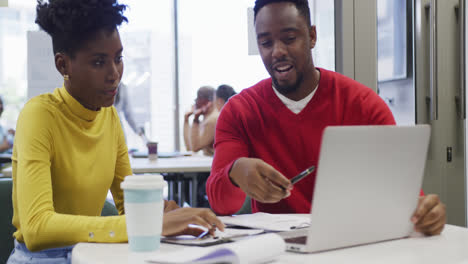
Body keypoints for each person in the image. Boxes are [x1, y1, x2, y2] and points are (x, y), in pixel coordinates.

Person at [8, 1, 223, 263]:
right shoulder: (39, 115)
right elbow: (36, 228)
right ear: (63, 66)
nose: (114, 74)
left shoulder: (107, 115)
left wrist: (166, 214)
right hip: (42, 258)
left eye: (118, 58)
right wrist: (149, 225)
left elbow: (127, 204)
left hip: (94, 252)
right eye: (99, 62)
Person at [206, 0, 446, 236]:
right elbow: (221, 205)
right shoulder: (239, 111)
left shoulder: (363, 105)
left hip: (353, 242)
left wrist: (424, 211)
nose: (277, 51)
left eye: (289, 39)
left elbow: (403, 193)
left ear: (312, 36)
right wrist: (235, 173)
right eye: (266, 43)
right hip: (278, 249)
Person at [183, 86, 219, 156]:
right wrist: (186, 120)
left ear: (206, 101)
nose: (195, 101)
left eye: (197, 98)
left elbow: (194, 148)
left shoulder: (213, 120)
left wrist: (196, 120)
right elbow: (189, 148)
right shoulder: (207, 118)